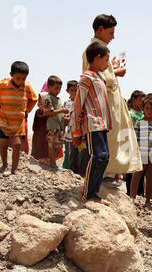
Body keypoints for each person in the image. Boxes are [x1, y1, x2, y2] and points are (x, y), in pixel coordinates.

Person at [82, 14, 142, 187]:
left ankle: (109, 174)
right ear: (100, 29)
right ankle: (105, 175)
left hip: (111, 103)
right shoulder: (92, 50)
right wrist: (116, 72)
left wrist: (112, 67)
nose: (113, 37)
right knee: (108, 138)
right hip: (103, 104)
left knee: (115, 137)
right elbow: (94, 75)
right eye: (110, 32)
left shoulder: (99, 48)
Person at [72, 42, 112, 211]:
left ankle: (95, 194)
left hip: (102, 125)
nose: (108, 63)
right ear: (97, 58)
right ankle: (87, 196)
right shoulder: (86, 78)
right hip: (92, 124)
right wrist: (76, 130)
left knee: (105, 158)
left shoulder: (100, 77)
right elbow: (77, 104)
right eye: (106, 59)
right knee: (98, 156)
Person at [0, 61, 37, 175]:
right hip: (4, 119)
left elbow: (34, 99)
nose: (21, 81)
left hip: (18, 121)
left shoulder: (27, 87)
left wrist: (27, 110)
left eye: (23, 78)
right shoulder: (2, 86)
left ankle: (14, 169)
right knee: (3, 143)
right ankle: (4, 164)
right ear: (11, 75)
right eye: (18, 78)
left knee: (17, 144)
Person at [130, 94, 152, 208]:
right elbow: (135, 138)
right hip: (141, 154)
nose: (149, 111)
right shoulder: (139, 122)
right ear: (143, 108)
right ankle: (132, 197)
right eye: (147, 108)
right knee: (136, 175)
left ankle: (148, 200)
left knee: (151, 178)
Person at [40, 76, 69, 169]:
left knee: (58, 145)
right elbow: (47, 112)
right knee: (52, 145)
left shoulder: (57, 99)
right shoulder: (48, 98)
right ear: (49, 87)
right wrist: (61, 111)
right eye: (56, 88)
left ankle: (53, 163)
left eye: (60, 88)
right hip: (53, 126)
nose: (58, 90)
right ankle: (52, 164)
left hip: (59, 126)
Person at [126, 90, 146, 196]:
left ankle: (139, 194)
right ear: (133, 100)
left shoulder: (143, 115)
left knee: (141, 171)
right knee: (132, 171)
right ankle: (131, 193)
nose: (143, 103)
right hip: (133, 146)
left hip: (142, 146)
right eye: (141, 100)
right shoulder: (129, 114)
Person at [31, 82, 51, 163]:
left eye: (39, 99)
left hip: (38, 137)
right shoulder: (50, 112)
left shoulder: (38, 111)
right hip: (46, 137)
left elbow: (34, 127)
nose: (38, 101)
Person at [63, 80, 78, 171]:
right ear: (67, 91)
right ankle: (69, 171)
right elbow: (64, 119)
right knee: (69, 153)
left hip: (79, 133)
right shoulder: (66, 104)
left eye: (76, 90)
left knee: (80, 153)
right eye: (72, 90)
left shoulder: (80, 103)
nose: (74, 92)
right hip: (69, 134)